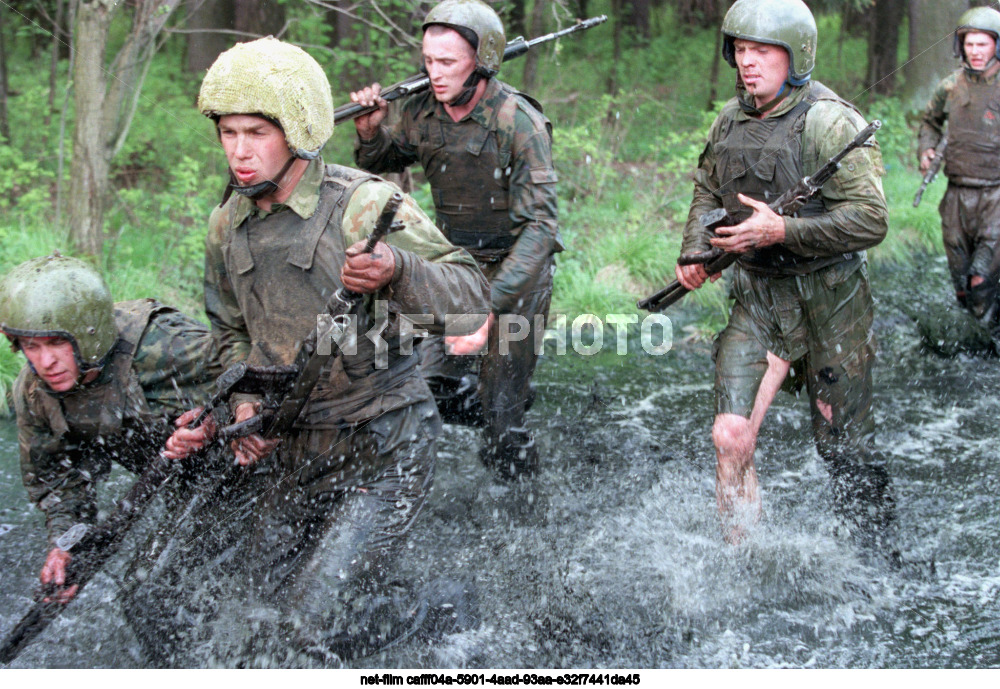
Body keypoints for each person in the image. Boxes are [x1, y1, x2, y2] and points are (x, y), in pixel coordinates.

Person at [193, 36, 489, 658]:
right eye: (228, 134)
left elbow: (470, 298)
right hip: (296, 450)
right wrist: (245, 404)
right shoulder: (227, 225)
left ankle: (438, 631)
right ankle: (405, 620)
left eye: (256, 133)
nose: (240, 153)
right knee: (254, 611)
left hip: (387, 441)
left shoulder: (361, 204)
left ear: (296, 130)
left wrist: (397, 270)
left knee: (304, 622)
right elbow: (228, 333)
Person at [673, 0, 893, 545]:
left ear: (796, 55)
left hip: (832, 299)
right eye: (741, 51)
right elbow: (708, 185)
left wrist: (782, 232)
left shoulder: (830, 120)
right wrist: (697, 250)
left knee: (843, 447)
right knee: (730, 435)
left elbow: (872, 220)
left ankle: (876, 556)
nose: (749, 63)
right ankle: (741, 564)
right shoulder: (730, 119)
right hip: (760, 298)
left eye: (763, 51)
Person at [349, 0, 561, 480]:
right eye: (428, 61)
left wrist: (490, 310)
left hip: (517, 274)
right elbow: (385, 160)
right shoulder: (423, 110)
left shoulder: (518, 122)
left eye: (447, 63)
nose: (434, 73)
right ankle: (490, 398)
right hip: (456, 264)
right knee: (424, 385)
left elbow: (541, 230)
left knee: (502, 421)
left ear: (482, 60)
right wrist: (370, 132)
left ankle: (523, 499)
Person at [0, 254, 220, 603]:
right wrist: (65, 544)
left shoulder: (165, 346)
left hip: (261, 469)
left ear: (88, 335)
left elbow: (264, 371)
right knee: (145, 592)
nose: (45, 362)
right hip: (191, 489)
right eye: (31, 346)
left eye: (57, 343)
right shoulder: (33, 394)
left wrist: (219, 421)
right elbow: (59, 483)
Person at [918, 7, 1000, 324]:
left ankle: (986, 345)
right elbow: (930, 122)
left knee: (981, 278)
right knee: (962, 282)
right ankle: (973, 333)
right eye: (970, 44)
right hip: (956, 197)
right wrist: (926, 149)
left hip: (995, 196)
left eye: (983, 44)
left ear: (997, 45)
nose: (976, 51)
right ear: (960, 45)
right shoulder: (950, 87)